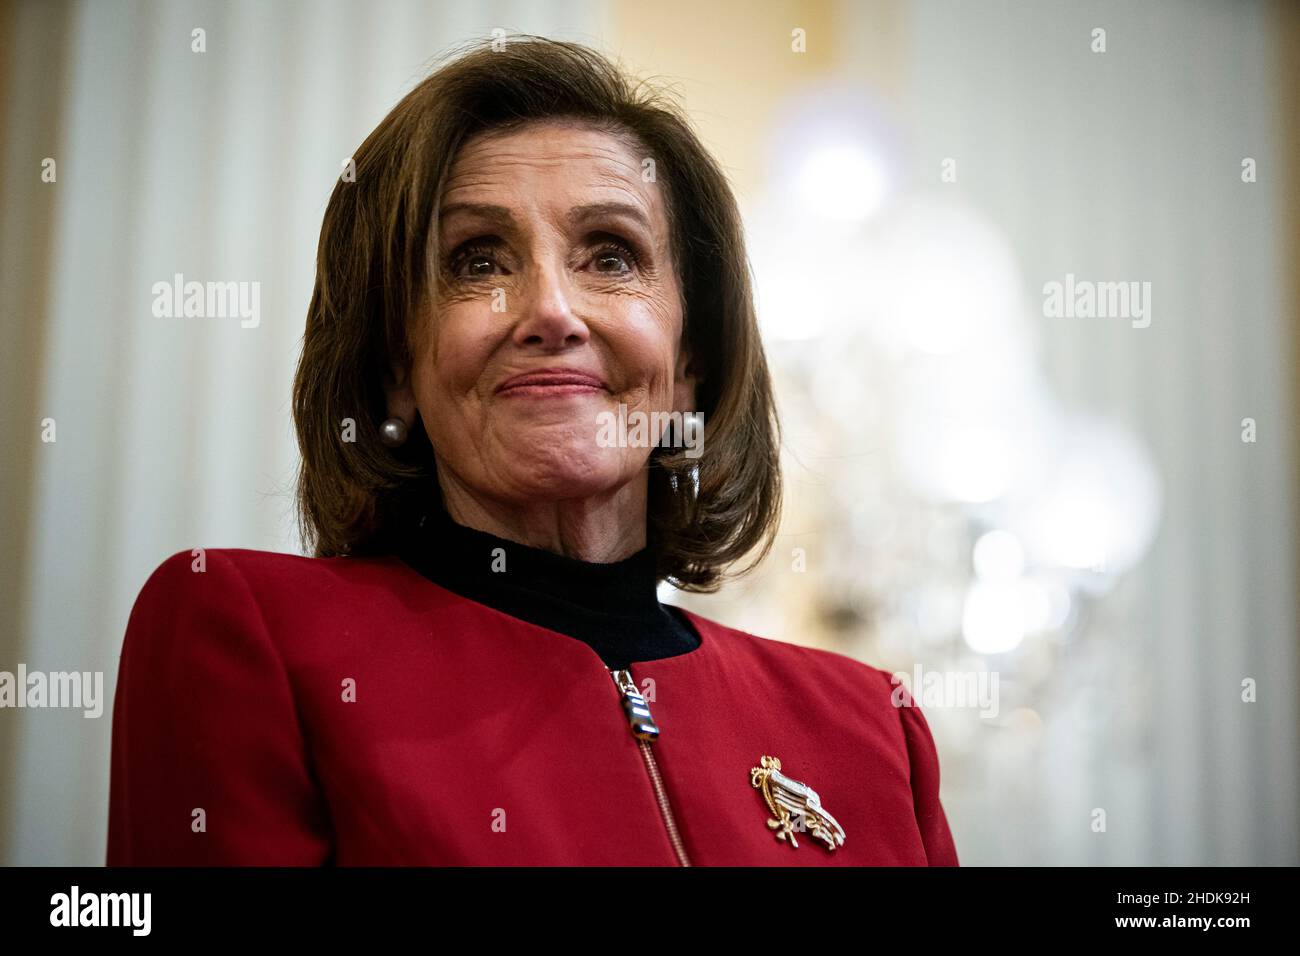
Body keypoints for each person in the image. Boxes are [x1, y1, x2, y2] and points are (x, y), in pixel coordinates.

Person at [106, 35, 958, 866]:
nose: (552, 310)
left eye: (611, 255)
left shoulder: (870, 726)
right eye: (478, 261)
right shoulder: (251, 636)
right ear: (397, 363)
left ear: (692, 363)